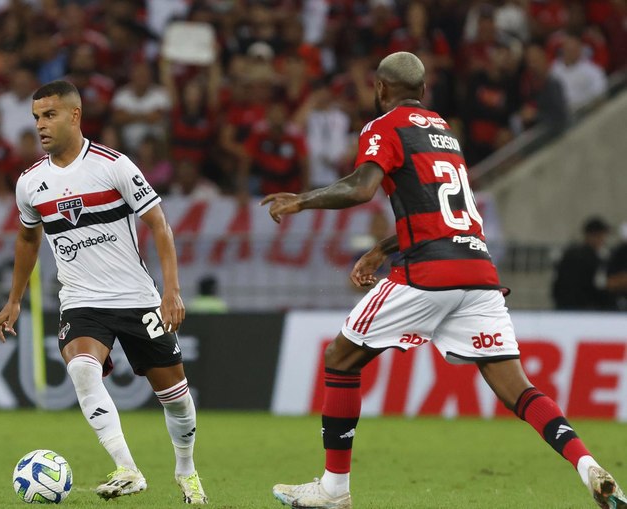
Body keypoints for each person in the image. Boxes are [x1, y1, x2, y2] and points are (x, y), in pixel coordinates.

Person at [262, 51, 625, 509]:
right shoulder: (444, 134)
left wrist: (303, 200)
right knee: (518, 388)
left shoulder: (384, 126)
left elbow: (360, 187)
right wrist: (380, 249)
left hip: (428, 273)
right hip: (478, 273)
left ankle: (334, 490)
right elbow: (441, 216)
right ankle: (585, 464)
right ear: (423, 91)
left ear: (380, 89)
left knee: (340, 358)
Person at [0, 80, 207, 505]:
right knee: (83, 371)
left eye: (49, 115)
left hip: (137, 298)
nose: (40, 126)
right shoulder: (30, 183)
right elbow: (28, 240)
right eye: (35, 118)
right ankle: (127, 467)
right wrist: (13, 299)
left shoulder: (114, 165)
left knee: (176, 398)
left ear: (74, 115)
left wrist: (172, 291)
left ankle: (186, 470)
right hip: (81, 300)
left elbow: (159, 224)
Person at [552, 216, 614, 310]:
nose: (603, 240)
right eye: (601, 236)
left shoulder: (569, 254)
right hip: (585, 309)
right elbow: (596, 286)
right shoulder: (593, 258)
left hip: (564, 307)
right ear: (592, 236)